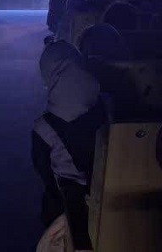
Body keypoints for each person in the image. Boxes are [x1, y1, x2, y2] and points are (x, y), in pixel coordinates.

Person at [32, 41, 105, 251]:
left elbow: (44, 171)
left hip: (69, 207)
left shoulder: (43, 128)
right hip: (107, 199)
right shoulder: (105, 106)